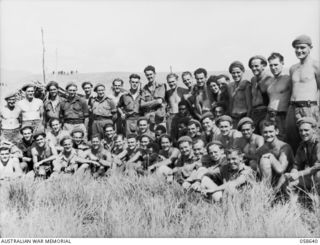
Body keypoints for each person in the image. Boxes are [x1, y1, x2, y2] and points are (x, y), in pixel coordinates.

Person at [286, 35, 320, 153]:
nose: (299, 50)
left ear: (310, 47)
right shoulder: (293, 68)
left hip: (308, 107)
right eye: (296, 48)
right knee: (292, 139)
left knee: (311, 139)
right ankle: (295, 167)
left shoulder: (316, 65)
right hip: (292, 107)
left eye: (302, 47)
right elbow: (292, 89)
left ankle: (313, 169)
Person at [284, 117, 320, 194]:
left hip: (317, 175)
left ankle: (316, 202)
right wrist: (293, 174)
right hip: (313, 176)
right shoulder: (303, 145)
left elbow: (318, 166)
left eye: (306, 130)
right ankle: (293, 205)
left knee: (318, 175)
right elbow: (296, 165)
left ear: (314, 130)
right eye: (301, 130)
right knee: (291, 182)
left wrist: (298, 174)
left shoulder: (318, 143)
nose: (303, 133)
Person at [256, 121, 294, 190]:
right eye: (265, 132)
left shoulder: (284, 147)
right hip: (270, 179)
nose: (268, 134)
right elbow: (258, 171)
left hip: (285, 179)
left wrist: (271, 156)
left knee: (265, 160)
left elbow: (280, 170)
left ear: (276, 131)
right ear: (261, 133)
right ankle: (266, 190)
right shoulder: (261, 149)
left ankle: (271, 191)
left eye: (271, 131)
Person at [266, 52, 291, 140]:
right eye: (271, 65)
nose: (273, 68)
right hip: (269, 116)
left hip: (282, 115)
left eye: (276, 64)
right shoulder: (269, 81)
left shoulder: (288, 79)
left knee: (283, 141)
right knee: (270, 140)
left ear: (282, 64)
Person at [248, 55, 273, 134]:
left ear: (263, 66)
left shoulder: (269, 78)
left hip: (264, 112)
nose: (254, 68)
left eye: (256, 66)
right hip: (254, 113)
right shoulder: (253, 80)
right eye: (252, 66)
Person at [141, 65, 167, 130]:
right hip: (149, 119)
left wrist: (147, 104)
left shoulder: (161, 86)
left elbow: (160, 101)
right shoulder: (144, 89)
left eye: (151, 74)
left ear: (155, 74)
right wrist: (156, 102)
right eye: (147, 75)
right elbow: (141, 104)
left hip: (160, 118)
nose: (149, 76)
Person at [227, 61, 251, 127]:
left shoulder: (246, 85)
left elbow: (249, 106)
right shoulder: (230, 86)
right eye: (233, 73)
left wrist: (247, 119)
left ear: (243, 71)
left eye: (238, 72)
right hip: (233, 117)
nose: (236, 75)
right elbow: (231, 104)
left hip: (243, 115)